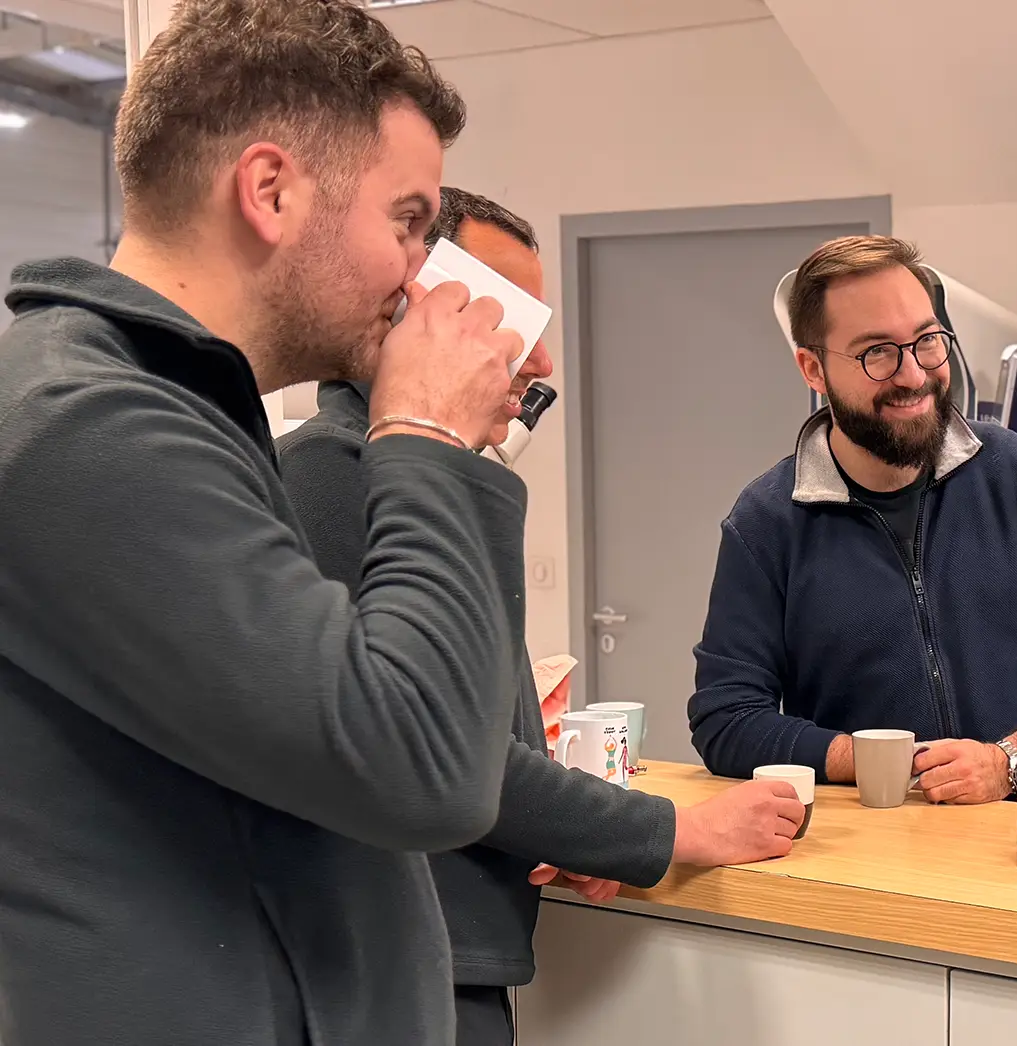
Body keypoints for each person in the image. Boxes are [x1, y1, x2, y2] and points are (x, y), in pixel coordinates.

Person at [0, 2, 536, 1042]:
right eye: (409, 222)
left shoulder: (181, 414)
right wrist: (424, 431)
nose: (419, 275)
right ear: (271, 190)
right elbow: (424, 764)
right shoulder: (87, 426)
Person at [276, 187, 804, 1046]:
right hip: (399, 969)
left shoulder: (409, 478)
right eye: (508, 321)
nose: (541, 361)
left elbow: (459, 740)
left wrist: (564, 831)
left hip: (450, 951)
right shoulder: (334, 476)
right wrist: (671, 831)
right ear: (416, 304)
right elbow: (442, 752)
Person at [687, 235, 1017, 803]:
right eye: (877, 352)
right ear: (813, 368)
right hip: (870, 845)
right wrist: (877, 760)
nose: (914, 374)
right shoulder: (766, 524)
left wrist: (1009, 761)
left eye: (926, 341)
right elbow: (726, 718)